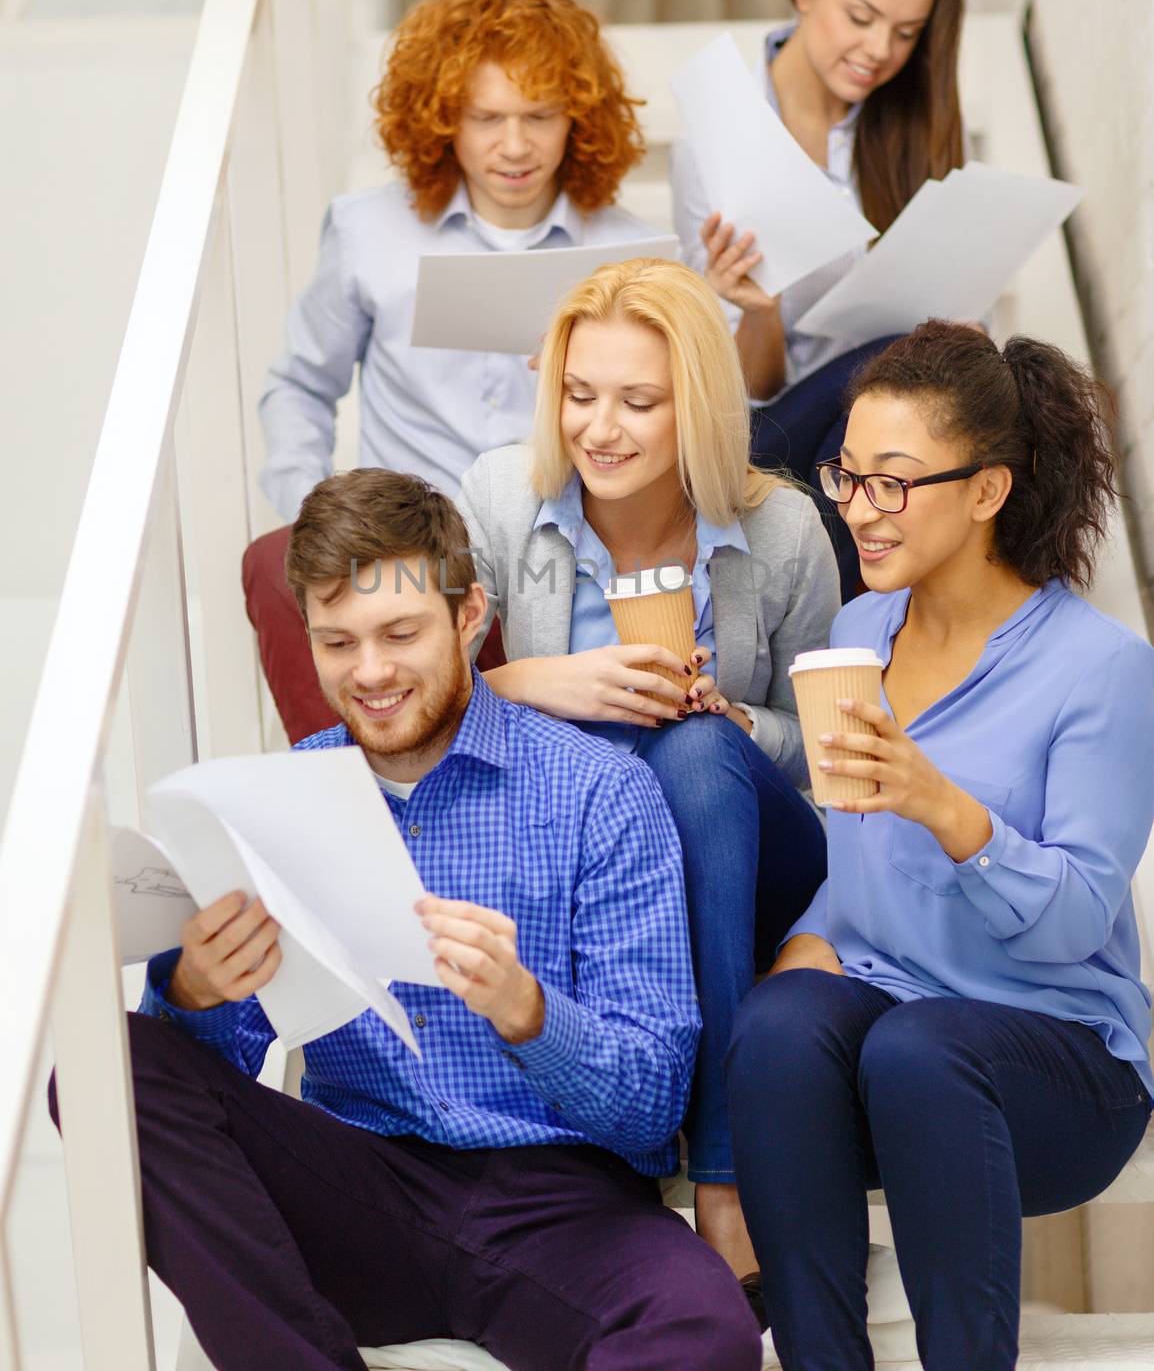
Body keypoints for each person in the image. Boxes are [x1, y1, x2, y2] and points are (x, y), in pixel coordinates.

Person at [78, 470, 761, 1371]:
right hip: (361, 1189)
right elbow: (206, 1104)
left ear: (470, 615)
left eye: (401, 633)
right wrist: (197, 994)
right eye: (338, 643)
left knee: (707, 1335)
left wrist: (528, 1011)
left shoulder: (602, 794)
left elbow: (648, 1112)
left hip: (563, 1206)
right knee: (107, 1060)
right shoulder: (279, 797)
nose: (370, 673)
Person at [727, 321, 1154, 1370]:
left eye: (893, 482)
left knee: (917, 1051)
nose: (857, 510)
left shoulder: (1100, 669)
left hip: (1060, 1064)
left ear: (986, 490)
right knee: (779, 1022)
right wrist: (805, 946)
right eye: (848, 476)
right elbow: (855, 869)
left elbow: (1068, 926)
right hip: (891, 1036)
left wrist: (943, 805)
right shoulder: (860, 636)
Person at [456, 256, 840, 1277]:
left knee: (703, 751)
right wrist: (545, 680)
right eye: (578, 395)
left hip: (744, 845)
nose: (598, 428)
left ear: (700, 407)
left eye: (637, 401)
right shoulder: (500, 496)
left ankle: (719, 1174)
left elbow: (830, 751)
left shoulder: (784, 530)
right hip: (589, 863)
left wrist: (735, 719)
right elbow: (419, 702)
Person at [244, 0, 655, 742]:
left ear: (578, 118)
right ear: (441, 121)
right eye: (484, 117)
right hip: (401, 551)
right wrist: (315, 513)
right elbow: (299, 385)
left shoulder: (631, 252)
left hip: (557, 558)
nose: (513, 146)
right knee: (278, 561)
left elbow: (681, 427)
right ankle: (353, 801)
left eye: (540, 116)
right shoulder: (369, 232)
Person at [671, 0, 965, 596]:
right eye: (860, 18)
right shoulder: (724, 133)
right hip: (780, 430)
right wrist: (758, 308)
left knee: (914, 406)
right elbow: (748, 393)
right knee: (871, 426)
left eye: (905, 33)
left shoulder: (907, 122)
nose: (878, 52)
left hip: (894, 424)